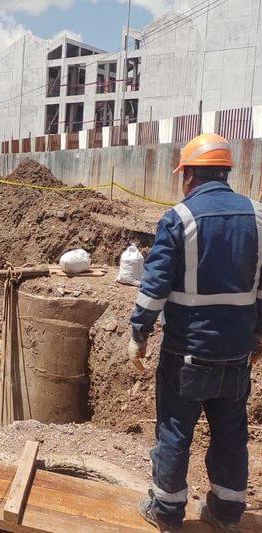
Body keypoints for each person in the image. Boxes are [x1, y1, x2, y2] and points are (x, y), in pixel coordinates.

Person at [128, 133, 260, 531]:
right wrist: (258, 339)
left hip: (186, 352)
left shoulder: (179, 218)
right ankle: (226, 512)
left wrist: (138, 333)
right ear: (226, 173)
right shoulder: (256, 217)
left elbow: (153, 289)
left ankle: (167, 512)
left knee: (174, 429)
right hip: (236, 354)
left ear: (188, 176)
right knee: (231, 433)